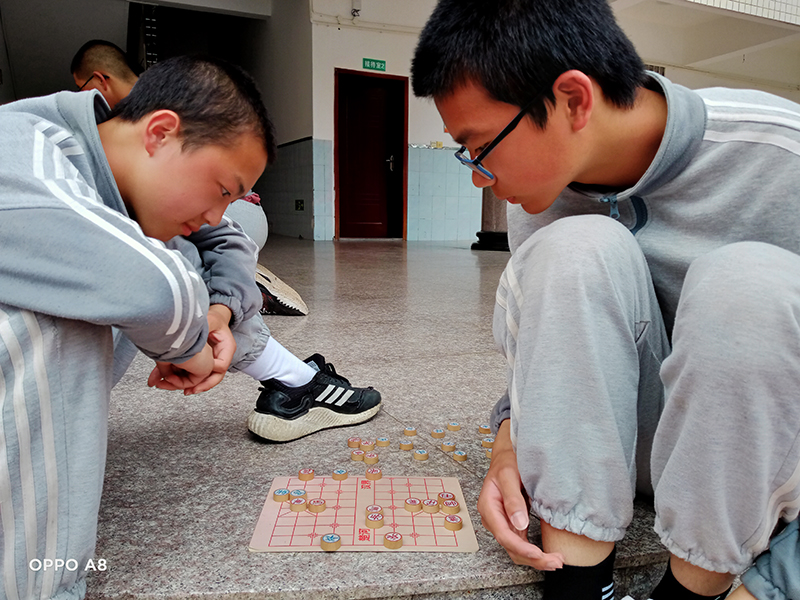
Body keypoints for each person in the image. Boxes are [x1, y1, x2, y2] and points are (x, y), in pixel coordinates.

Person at [411, 1, 800, 600]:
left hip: (769, 465)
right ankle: (578, 585)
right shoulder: (547, 193)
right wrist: (509, 442)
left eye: (480, 147)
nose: (478, 175)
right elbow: (553, 350)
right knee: (576, 247)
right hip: (639, 449)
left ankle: (692, 593)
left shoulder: (782, 155)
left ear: (573, 100)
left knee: (746, 284)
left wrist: (780, 578)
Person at [71, 41, 380, 443]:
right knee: (175, 251)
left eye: (230, 197)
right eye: (222, 191)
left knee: (194, 243)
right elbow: (146, 282)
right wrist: (188, 349)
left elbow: (227, 235)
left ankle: (295, 376)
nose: (218, 214)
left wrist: (220, 313)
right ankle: (297, 379)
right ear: (160, 133)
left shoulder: (142, 161)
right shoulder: (38, 165)